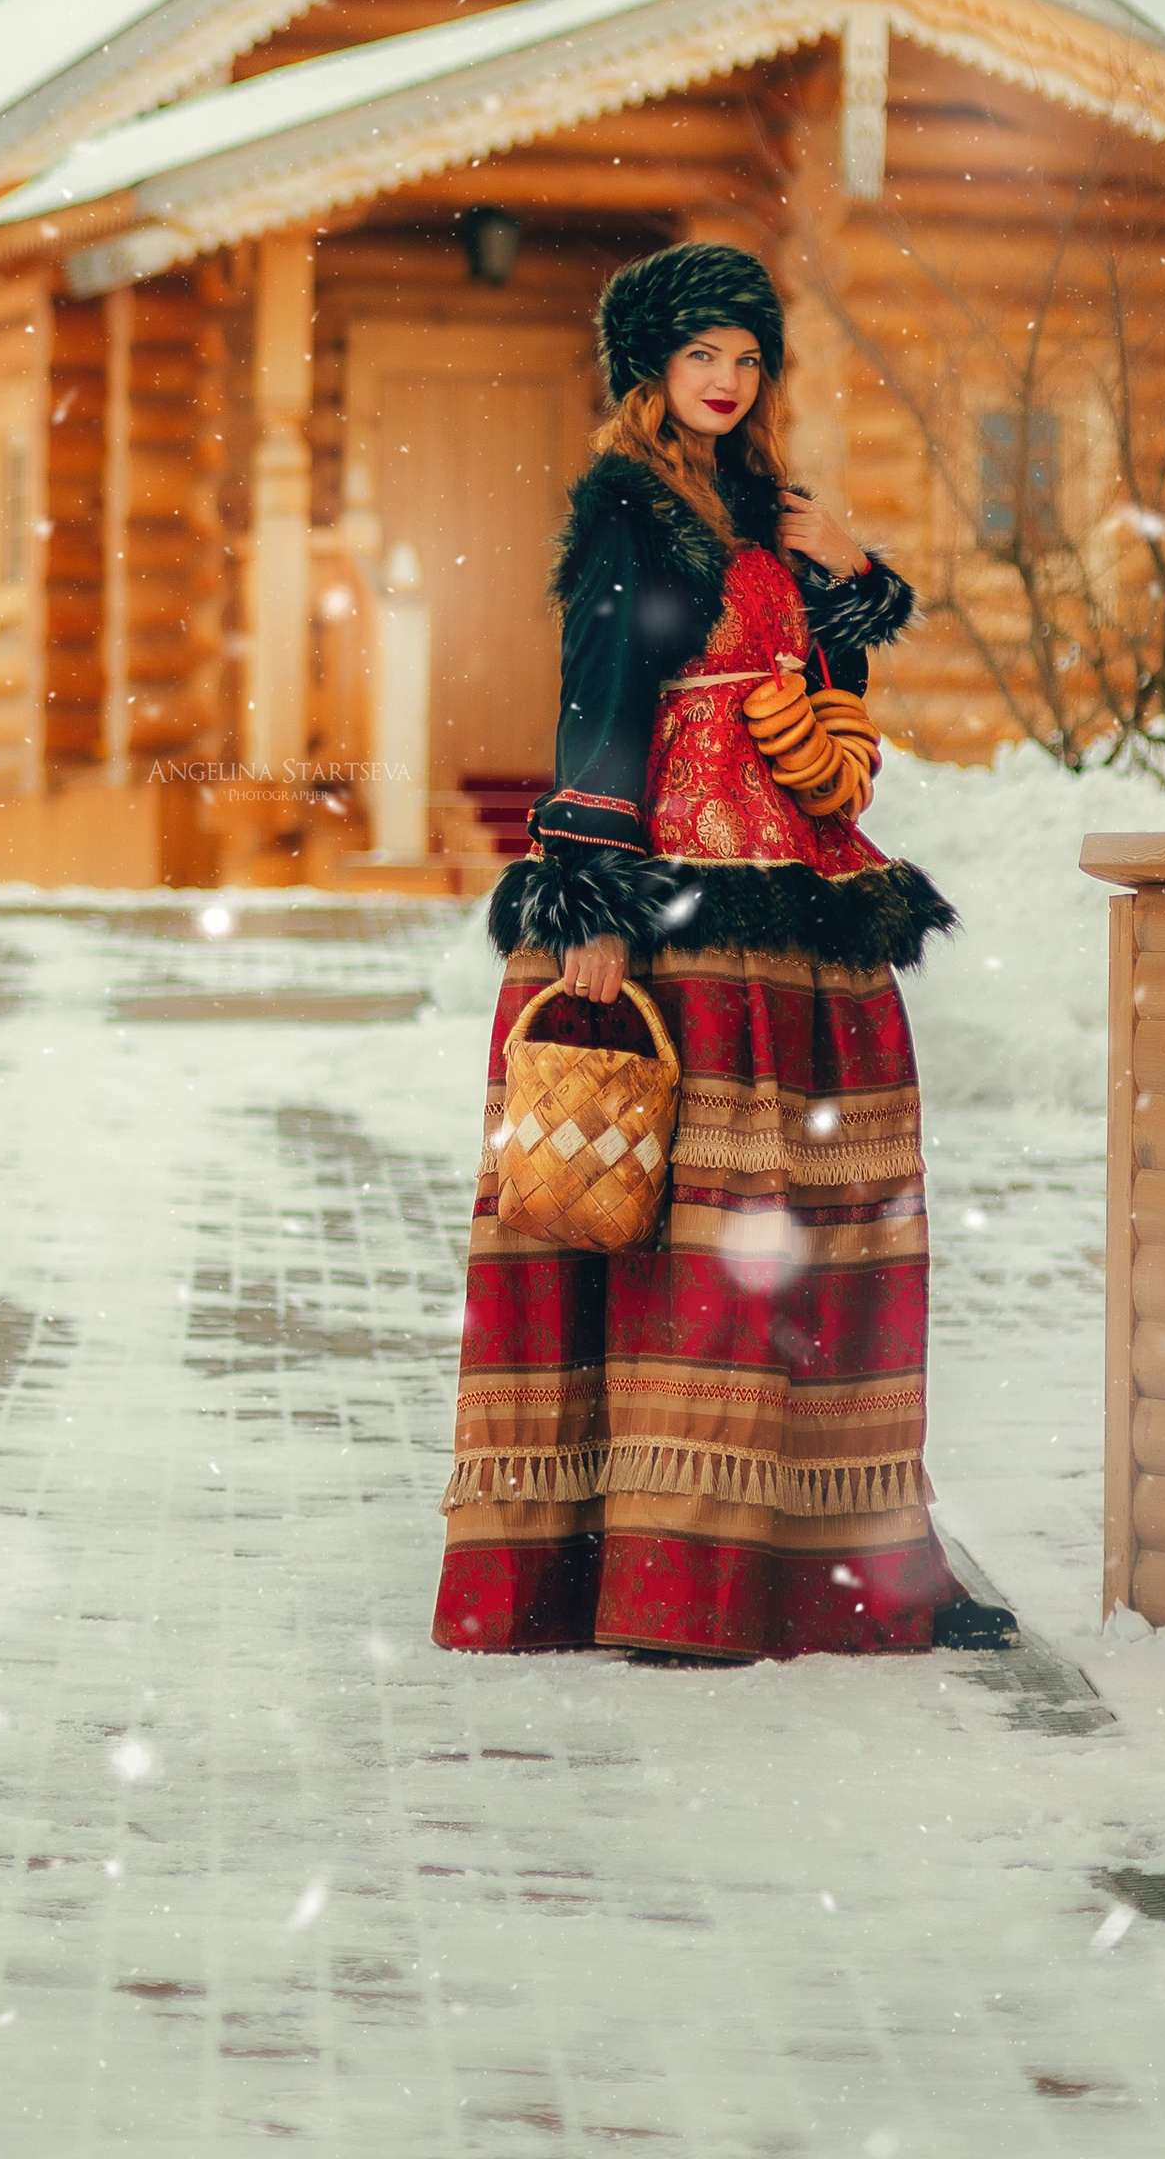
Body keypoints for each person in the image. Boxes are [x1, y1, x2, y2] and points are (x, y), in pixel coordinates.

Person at [433, 239, 1007, 1664]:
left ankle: (833, 1567)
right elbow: (605, 707)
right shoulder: (629, 516)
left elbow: (826, 688)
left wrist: (853, 579)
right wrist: (595, 911)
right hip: (674, 908)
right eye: (703, 357)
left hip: (800, 890)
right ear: (651, 371)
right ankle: (663, 1579)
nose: (729, 381)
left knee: (808, 1233)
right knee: (685, 1243)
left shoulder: (770, 508)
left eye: (746, 358)